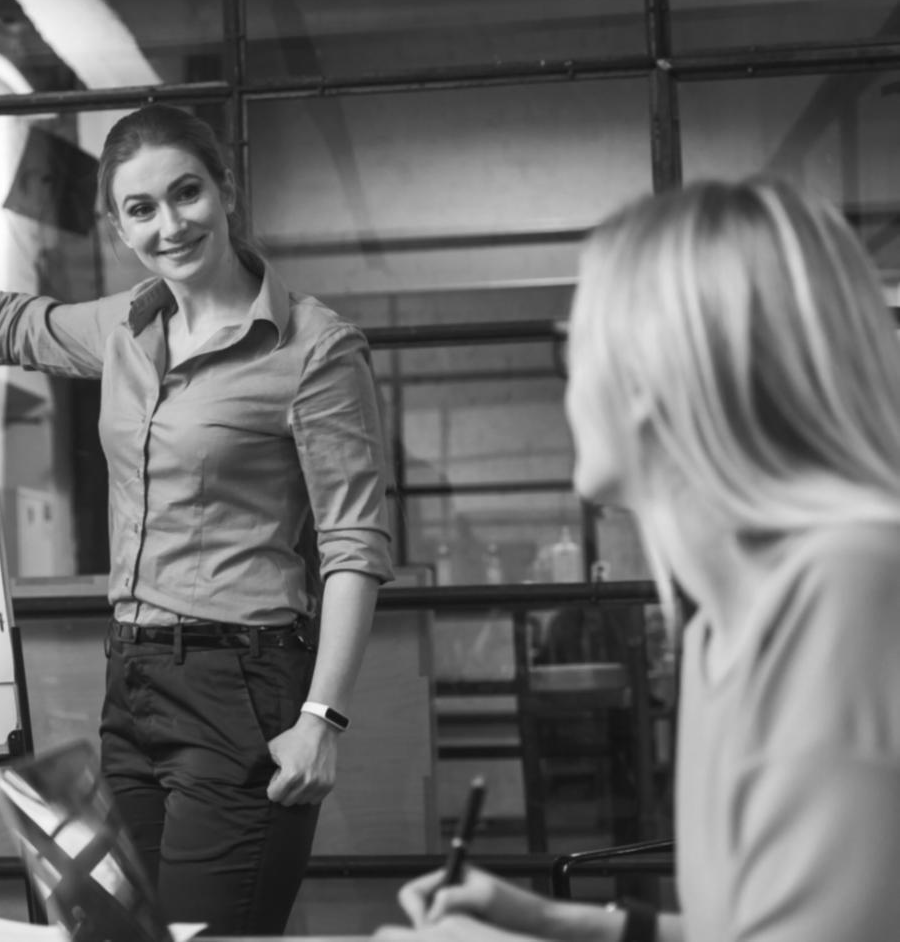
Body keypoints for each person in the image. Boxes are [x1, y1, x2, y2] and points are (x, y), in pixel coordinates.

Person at [0, 103, 394, 935]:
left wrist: (322, 719)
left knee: (211, 936)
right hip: (133, 682)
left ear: (225, 191)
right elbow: (1, 323)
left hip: (243, 686)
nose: (170, 225)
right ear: (117, 225)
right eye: (141, 209)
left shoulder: (314, 349)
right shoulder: (128, 327)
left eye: (187, 194)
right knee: (110, 934)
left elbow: (353, 545)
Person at [376, 177, 900, 942]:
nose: (568, 379)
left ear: (651, 374)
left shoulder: (852, 592)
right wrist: (557, 923)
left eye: (576, 343)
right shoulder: (717, 630)